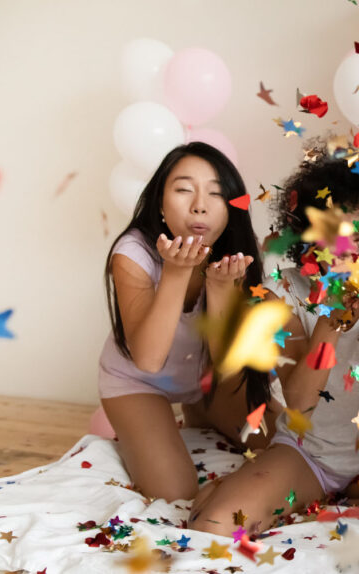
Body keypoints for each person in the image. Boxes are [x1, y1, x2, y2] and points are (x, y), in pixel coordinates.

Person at [188, 145, 359, 537]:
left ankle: (349, 501)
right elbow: (299, 400)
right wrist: (332, 323)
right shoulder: (284, 289)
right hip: (306, 456)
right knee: (216, 523)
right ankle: (296, 493)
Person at [100, 142, 276, 502]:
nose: (200, 205)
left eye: (216, 193)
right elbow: (147, 360)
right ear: (160, 203)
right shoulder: (132, 253)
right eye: (183, 190)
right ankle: (179, 414)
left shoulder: (237, 251)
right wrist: (176, 272)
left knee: (285, 443)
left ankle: (199, 410)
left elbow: (229, 365)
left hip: (207, 378)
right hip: (137, 382)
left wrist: (220, 286)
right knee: (176, 493)